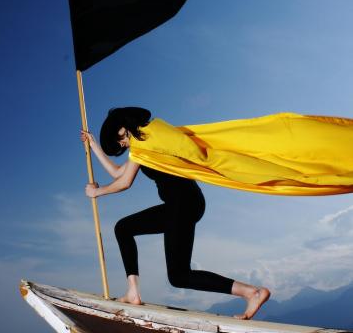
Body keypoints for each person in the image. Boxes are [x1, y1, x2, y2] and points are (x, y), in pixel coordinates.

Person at [81, 107, 271, 320]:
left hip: (182, 205)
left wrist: (97, 192)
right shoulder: (148, 140)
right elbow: (118, 172)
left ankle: (252, 292)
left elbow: (124, 183)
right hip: (184, 204)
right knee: (124, 229)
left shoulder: (143, 143)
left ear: (125, 127)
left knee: (179, 275)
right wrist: (93, 146)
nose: (122, 144)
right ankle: (133, 292)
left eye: (121, 139)